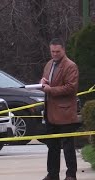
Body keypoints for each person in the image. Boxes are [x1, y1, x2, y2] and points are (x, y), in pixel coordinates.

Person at [41, 38, 80, 180]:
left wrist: (50, 89)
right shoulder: (49, 64)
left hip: (65, 112)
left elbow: (70, 88)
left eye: (58, 51)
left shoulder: (71, 66)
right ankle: (52, 174)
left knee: (68, 146)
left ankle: (71, 175)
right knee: (52, 146)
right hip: (50, 112)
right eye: (52, 51)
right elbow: (45, 81)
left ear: (63, 49)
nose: (55, 54)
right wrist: (42, 82)